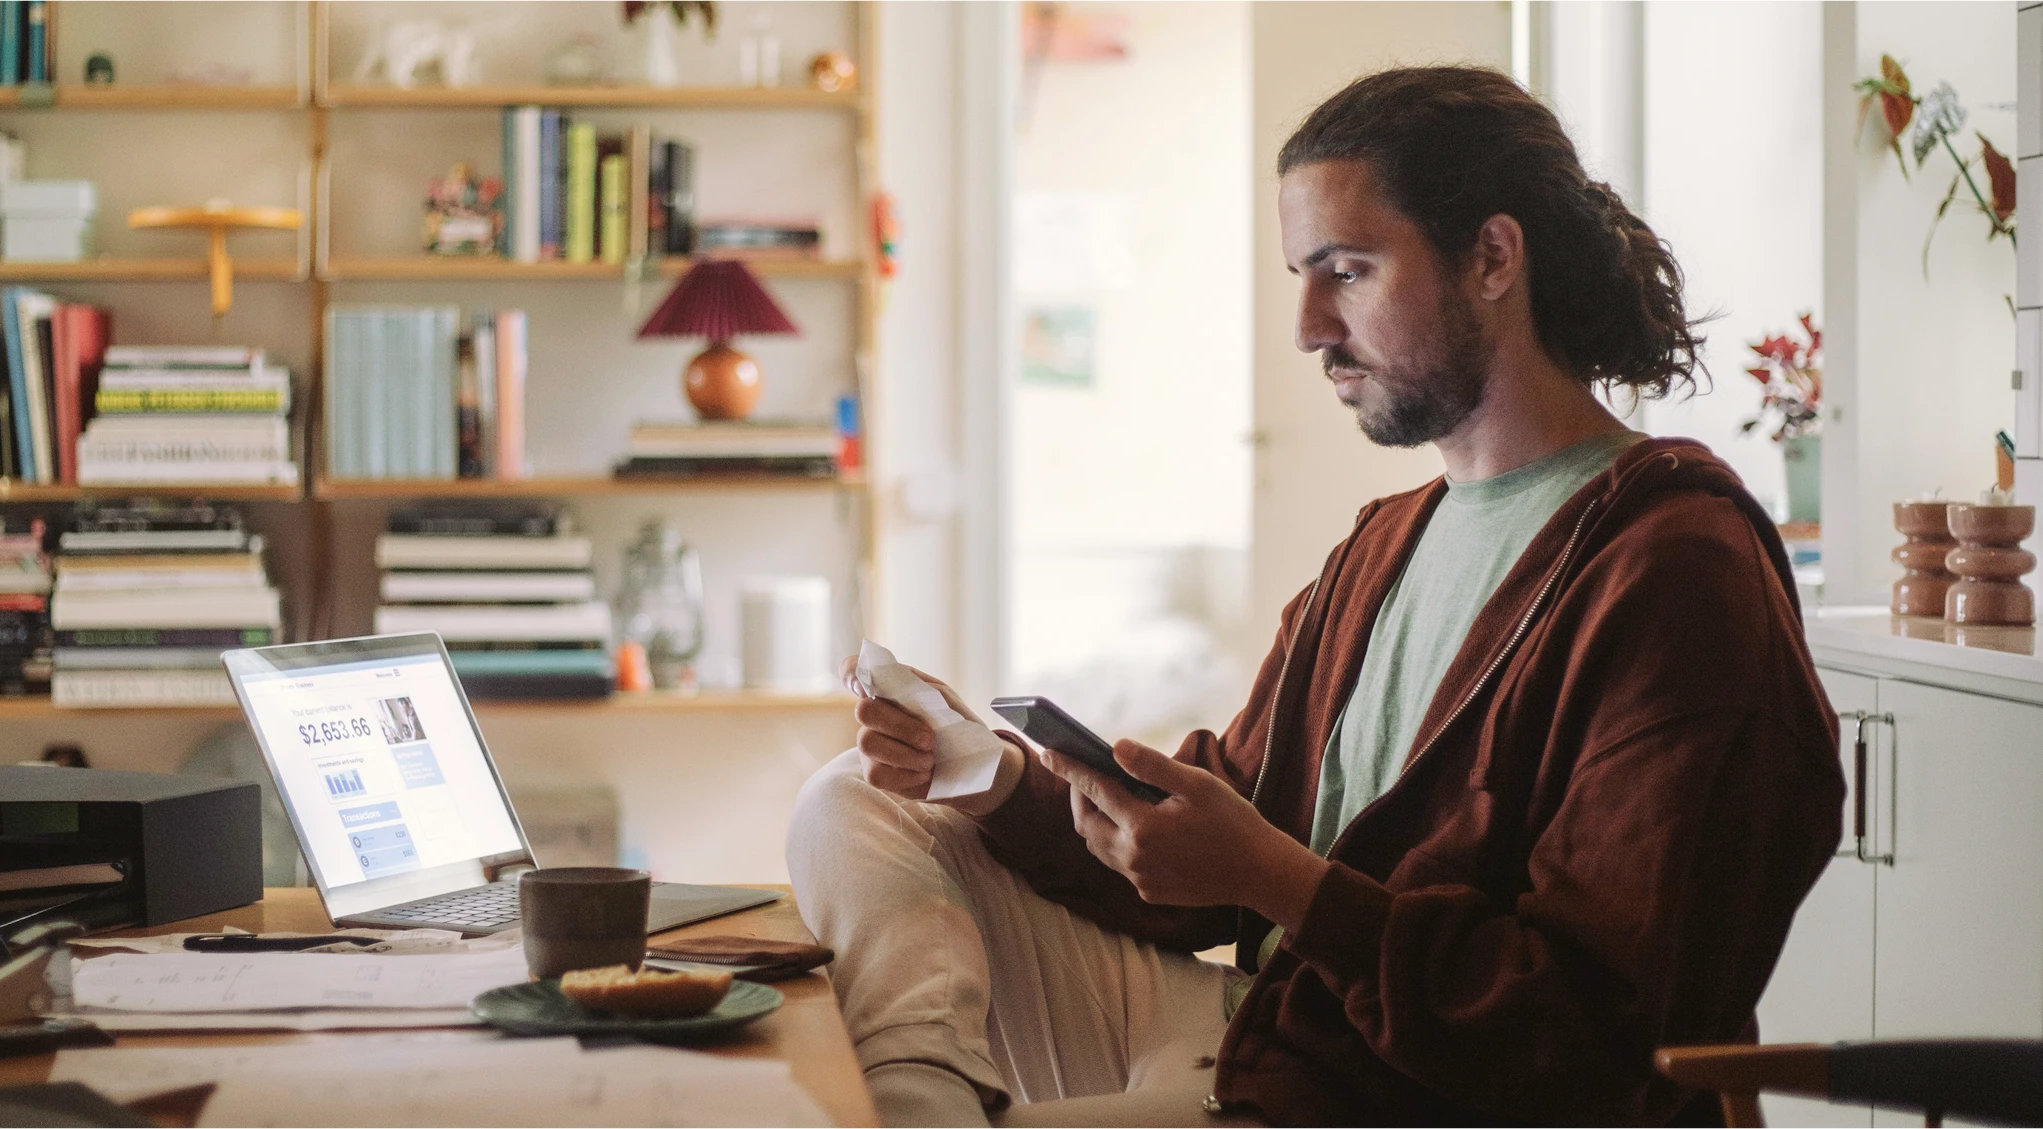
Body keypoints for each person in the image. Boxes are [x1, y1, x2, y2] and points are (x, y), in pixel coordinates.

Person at [787, 65, 1845, 1126]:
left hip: (1399, 1101)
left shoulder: (1673, 568)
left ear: (1491, 257)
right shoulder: (1381, 547)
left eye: (1345, 272)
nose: (1304, 325)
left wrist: (1280, 883)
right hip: (1272, 1030)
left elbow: (1595, 1029)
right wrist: (988, 774)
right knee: (861, 795)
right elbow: (1219, 831)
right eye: (1302, 273)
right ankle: (916, 1105)